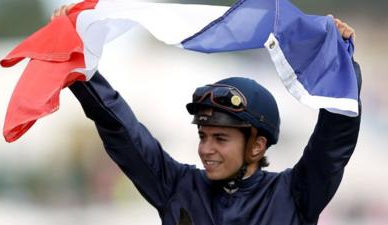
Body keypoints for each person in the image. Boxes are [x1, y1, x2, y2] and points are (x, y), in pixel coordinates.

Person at [54, 4, 361, 225]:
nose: (205, 149)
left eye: (220, 138)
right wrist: (79, 70)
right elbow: (120, 128)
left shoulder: (295, 194)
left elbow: (333, 141)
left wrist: (341, 66)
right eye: (203, 136)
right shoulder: (175, 186)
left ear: (257, 145)